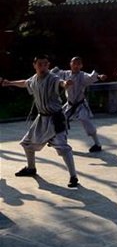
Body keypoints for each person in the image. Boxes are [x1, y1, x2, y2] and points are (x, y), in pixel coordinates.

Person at [2, 55, 79, 187]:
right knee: (27, 143)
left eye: (45, 64)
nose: (42, 67)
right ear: (34, 65)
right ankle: (31, 168)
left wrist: (66, 84)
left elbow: (60, 82)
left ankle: (73, 177)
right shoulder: (34, 79)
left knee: (62, 147)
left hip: (55, 119)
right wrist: (9, 82)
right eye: (39, 64)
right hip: (41, 119)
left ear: (48, 65)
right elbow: (25, 83)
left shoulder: (52, 77)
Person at [51, 56, 107, 153]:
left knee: (84, 119)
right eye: (74, 63)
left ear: (81, 65)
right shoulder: (65, 74)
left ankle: (97, 144)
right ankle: (60, 141)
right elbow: (53, 74)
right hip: (69, 105)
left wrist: (99, 77)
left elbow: (91, 77)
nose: (76, 66)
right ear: (71, 64)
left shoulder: (82, 75)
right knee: (60, 120)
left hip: (80, 105)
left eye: (78, 64)